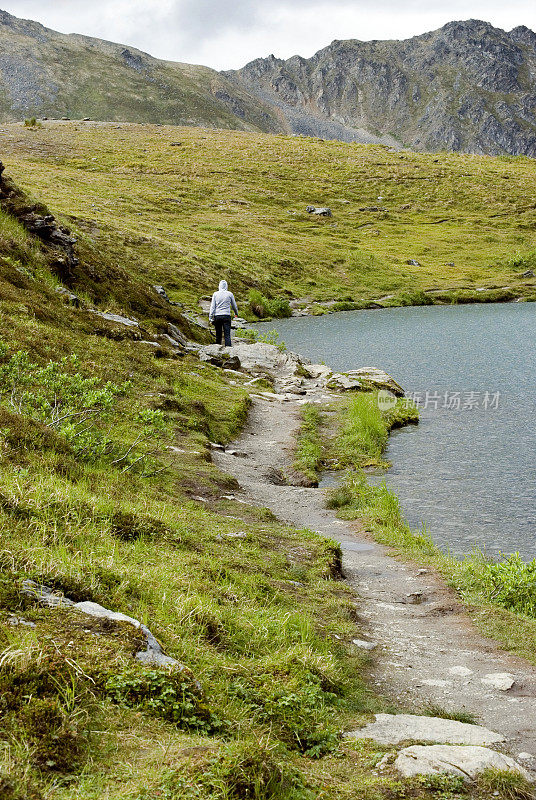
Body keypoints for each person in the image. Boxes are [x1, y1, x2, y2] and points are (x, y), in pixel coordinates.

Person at [209, 280, 239, 347]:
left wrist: (210, 318)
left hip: (217, 316)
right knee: (227, 335)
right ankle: (229, 351)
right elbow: (234, 306)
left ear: (219, 286)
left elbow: (212, 307)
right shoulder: (230, 294)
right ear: (226, 286)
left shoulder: (215, 294)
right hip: (226, 316)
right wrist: (236, 313)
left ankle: (217, 350)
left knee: (218, 334)